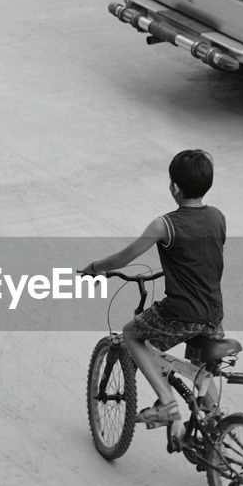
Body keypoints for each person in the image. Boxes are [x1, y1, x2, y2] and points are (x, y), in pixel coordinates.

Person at [79, 150, 225, 453]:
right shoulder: (217, 217)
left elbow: (124, 257)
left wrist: (94, 268)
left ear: (174, 187)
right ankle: (217, 433)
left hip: (180, 313)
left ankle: (168, 403)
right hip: (213, 312)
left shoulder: (165, 225)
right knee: (201, 371)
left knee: (132, 333)